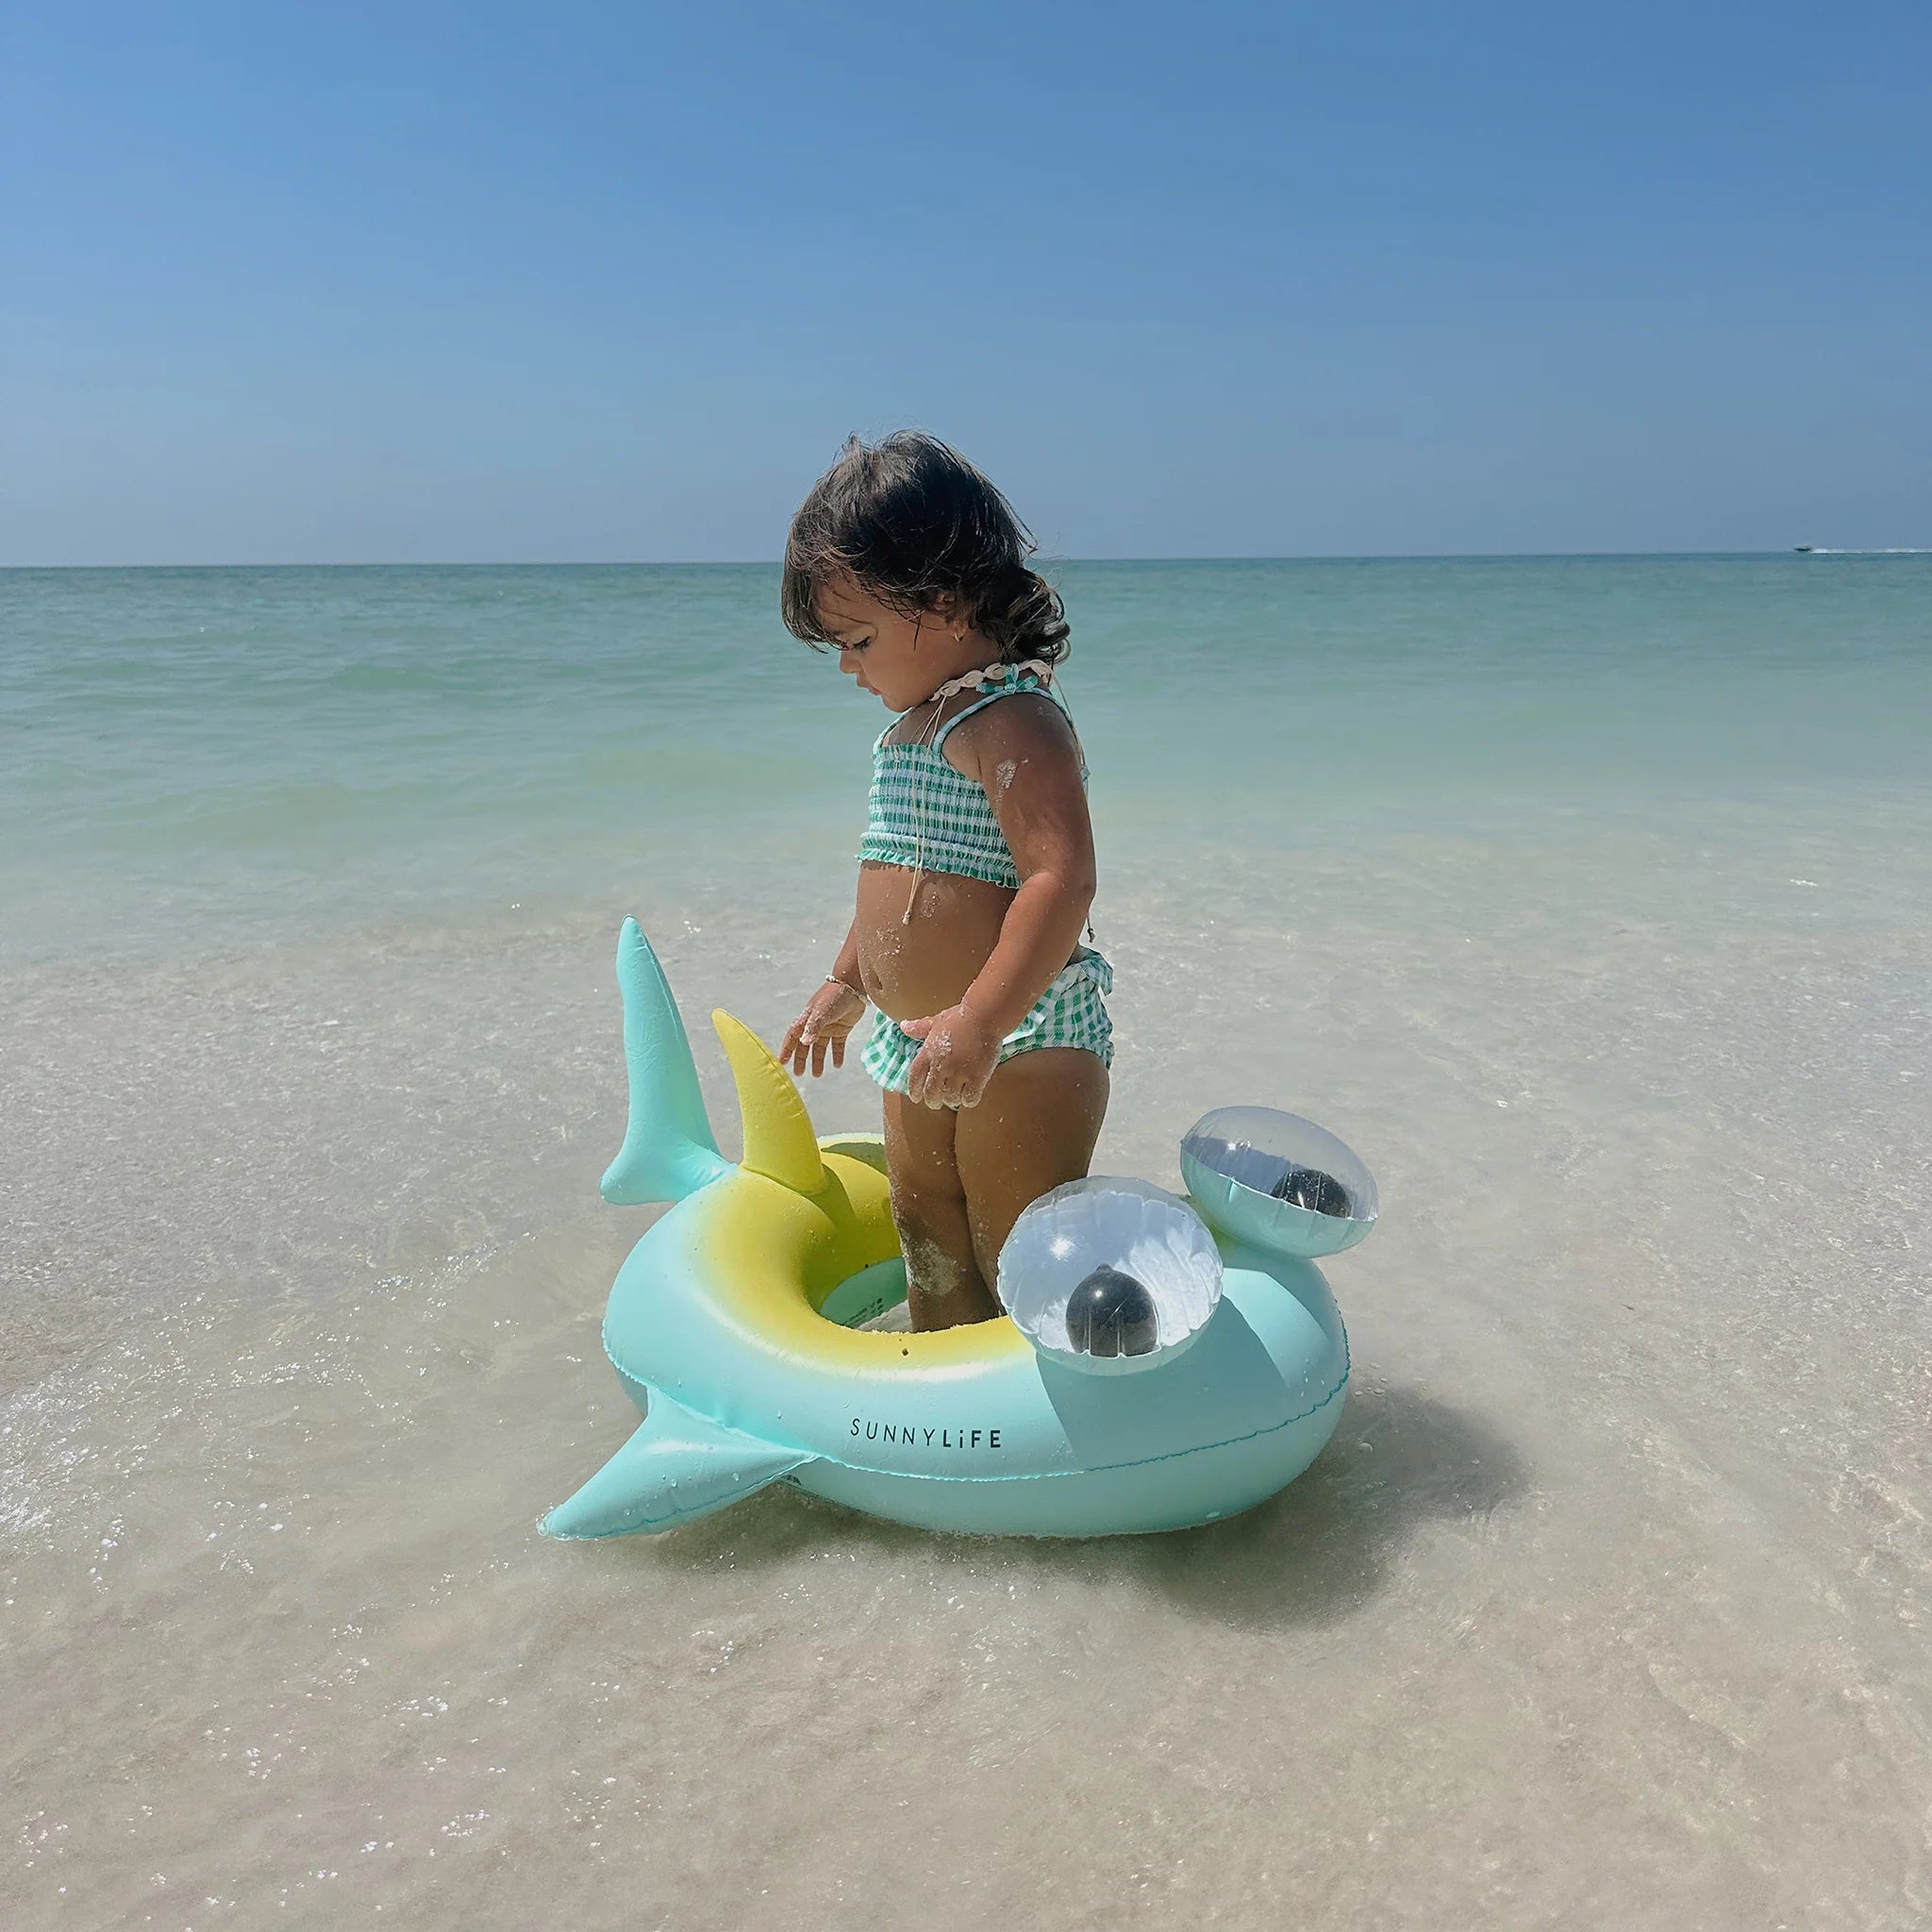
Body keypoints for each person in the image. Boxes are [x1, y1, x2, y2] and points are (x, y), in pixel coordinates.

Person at [778, 432, 1112, 1331]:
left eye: (857, 638)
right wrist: (847, 983)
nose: (849, 666)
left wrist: (981, 1020)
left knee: (1017, 1245)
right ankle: (939, 1396)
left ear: (943, 598)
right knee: (923, 1217)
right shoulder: (913, 728)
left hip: (1021, 1038)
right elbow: (900, 873)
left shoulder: (1012, 718)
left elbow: (1061, 878)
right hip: (915, 1039)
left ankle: (1044, 1405)